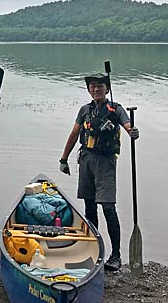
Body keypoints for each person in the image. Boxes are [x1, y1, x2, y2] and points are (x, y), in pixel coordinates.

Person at [59, 74, 139, 271]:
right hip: (86, 159)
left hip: (106, 163)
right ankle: (93, 248)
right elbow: (74, 133)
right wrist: (63, 159)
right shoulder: (84, 110)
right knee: (89, 205)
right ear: (89, 90)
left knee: (108, 207)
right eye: (92, 86)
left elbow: (127, 124)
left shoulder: (115, 109)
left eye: (100, 86)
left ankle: (116, 255)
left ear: (107, 89)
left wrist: (132, 131)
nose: (96, 89)